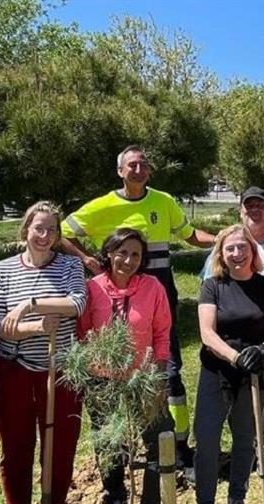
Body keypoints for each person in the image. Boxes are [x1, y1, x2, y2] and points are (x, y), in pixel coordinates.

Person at [60, 145, 215, 470]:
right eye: (132, 164)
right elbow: (60, 232)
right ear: (120, 171)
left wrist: (222, 238)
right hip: (114, 296)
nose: (139, 168)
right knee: (116, 369)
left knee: (167, 367)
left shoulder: (164, 201)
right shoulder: (102, 205)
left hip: (159, 291)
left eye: (144, 163)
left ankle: (176, 445)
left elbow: (189, 235)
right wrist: (87, 260)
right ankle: (122, 450)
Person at [0, 202, 87, 504]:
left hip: (61, 369)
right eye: (38, 228)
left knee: (60, 444)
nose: (45, 236)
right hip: (14, 370)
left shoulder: (70, 265)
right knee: (16, 446)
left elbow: (76, 304)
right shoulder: (3, 270)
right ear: (25, 230)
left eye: (52, 231)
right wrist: (37, 326)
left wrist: (29, 304)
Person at [179, 225, 264, 504]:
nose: (237, 254)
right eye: (230, 249)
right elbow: (207, 334)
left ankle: (237, 499)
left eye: (243, 248)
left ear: (253, 252)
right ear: (221, 254)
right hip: (218, 371)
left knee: (244, 438)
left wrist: (263, 349)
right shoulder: (212, 286)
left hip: (255, 374)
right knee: (207, 439)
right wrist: (236, 358)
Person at [199, 187, 264, 490]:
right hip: (230, 343)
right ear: (240, 211)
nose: (254, 211)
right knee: (235, 403)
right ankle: (239, 457)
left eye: (260, 206)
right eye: (249, 206)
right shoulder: (224, 249)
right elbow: (212, 294)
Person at [77, 228, 173, 504]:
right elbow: (83, 334)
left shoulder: (152, 287)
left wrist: (157, 377)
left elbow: (162, 333)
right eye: (122, 252)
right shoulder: (92, 289)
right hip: (103, 381)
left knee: (160, 437)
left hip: (143, 378)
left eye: (135, 255)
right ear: (109, 253)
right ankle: (116, 501)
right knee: (109, 443)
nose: (128, 260)